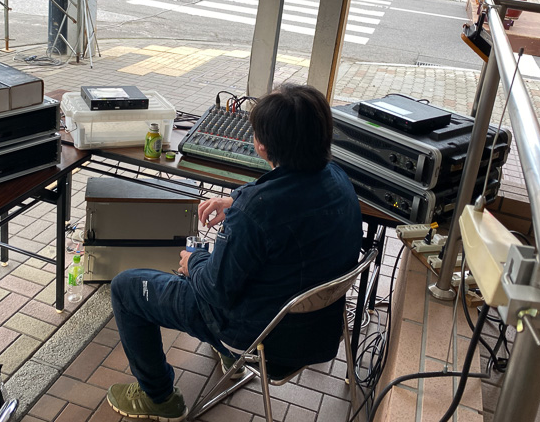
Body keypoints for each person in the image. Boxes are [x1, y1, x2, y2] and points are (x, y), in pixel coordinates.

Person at [104, 84, 364, 422]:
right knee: (242, 266)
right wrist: (236, 200)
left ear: (261, 145)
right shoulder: (339, 179)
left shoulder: (256, 212)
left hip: (261, 339)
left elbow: (215, 290)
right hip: (319, 334)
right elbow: (287, 196)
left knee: (126, 287)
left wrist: (193, 262)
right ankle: (227, 358)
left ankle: (159, 398)